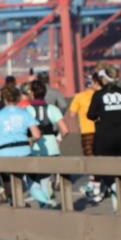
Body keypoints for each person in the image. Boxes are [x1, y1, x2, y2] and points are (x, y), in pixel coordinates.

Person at [87, 65, 121, 207]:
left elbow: (90, 115)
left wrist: (101, 115)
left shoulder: (98, 95)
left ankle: (114, 188)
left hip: (104, 135)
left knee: (102, 165)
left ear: (105, 78)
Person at [0, 85, 44, 205]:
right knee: (28, 177)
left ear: (4, 99)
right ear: (18, 98)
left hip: (5, 154)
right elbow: (37, 135)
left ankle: (13, 199)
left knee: (6, 178)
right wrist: (30, 140)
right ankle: (36, 198)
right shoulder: (24, 113)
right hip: (24, 151)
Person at [27, 80, 70, 208]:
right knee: (45, 181)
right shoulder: (52, 109)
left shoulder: (27, 110)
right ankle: (45, 208)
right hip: (52, 147)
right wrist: (58, 139)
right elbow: (65, 130)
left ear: (32, 93)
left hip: (34, 148)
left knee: (30, 180)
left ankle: (45, 203)